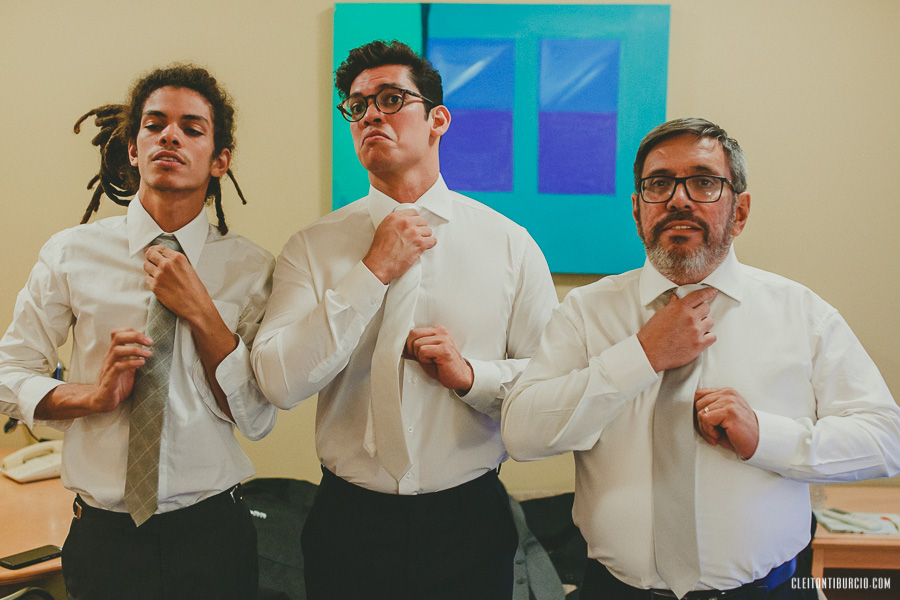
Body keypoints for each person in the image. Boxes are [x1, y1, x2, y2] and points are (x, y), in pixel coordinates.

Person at [501, 118, 900, 600]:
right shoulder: (587, 313)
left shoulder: (802, 314)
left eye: (704, 182)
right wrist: (641, 356)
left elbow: (885, 439)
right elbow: (521, 434)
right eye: (659, 184)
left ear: (740, 211)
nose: (678, 199)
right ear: (637, 210)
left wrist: (766, 437)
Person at [251, 40, 557, 600]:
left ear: (438, 119)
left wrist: (472, 376)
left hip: (469, 521)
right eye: (357, 106)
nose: (370, 115)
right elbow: (278, 382)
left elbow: (550, 384)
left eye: (391, 99)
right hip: (348, 524)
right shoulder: (312, 249)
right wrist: (371, 273)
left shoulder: (510, 246)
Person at [0, 64, 276, 599]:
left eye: (191, 128)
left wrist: (202, 311)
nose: (170, 136)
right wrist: (92, 396)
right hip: (104, 540)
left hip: (214, 535)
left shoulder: (251, 269)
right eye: (154, 125)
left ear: (220, 160)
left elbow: (257, 416)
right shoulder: (71, 253)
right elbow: (8, 373)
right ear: (132, 148)